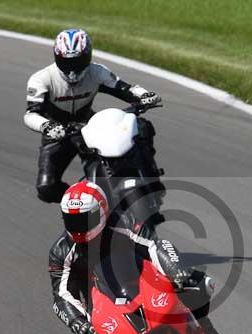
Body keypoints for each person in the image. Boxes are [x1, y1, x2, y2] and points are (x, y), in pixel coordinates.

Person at [49, 181, 226, 334]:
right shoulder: (61, 251)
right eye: (72, 221)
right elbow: (61, 295)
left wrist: (177, 272)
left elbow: (155, 245)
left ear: (101, 211)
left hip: (142, 280)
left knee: (197, 285)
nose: (78, 228)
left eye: (84, 220)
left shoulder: (122, 222)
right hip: (101, 306)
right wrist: (78, 323)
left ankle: (206, 333)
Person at [25, 28, 162, 203]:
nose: (72, 71)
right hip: (57, 134)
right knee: (46, 188)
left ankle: (150, 179)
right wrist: (47, 126)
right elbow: (30, 114)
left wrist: (145, 95)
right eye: (66, 63)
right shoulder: (41, 79)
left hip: (89, 127)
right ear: (56, 57)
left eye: (78, 62)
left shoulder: (97, 72)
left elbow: (126, 89)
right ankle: (78, 207)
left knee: (140, 127)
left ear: (88, 56)